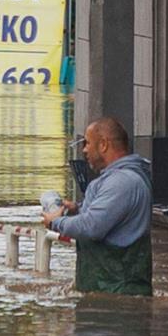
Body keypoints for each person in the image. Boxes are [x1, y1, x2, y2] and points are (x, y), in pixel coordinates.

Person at [42, 116, 152, 295]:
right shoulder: (117, 180)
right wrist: (76, 210)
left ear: (103, 145)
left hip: (118, 299)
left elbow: (91, 227)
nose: (84, 150)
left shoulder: (122, 182)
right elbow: (101, 219)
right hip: (107, 294)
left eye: (87, 143)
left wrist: (56, 222)